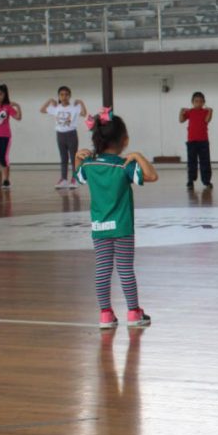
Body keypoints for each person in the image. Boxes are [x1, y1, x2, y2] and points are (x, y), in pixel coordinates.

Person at [75, 108, 159, 329]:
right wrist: (139, 156)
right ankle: (133, 312)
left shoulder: (89, 165)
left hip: (99, 227)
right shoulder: (124, 165)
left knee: (102, 269)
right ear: (125, 141)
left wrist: (77, 158)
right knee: (125, 269)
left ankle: (105, 315)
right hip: (122, 228)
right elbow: (152, 176)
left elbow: (78, 178)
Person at [40, 86, 87, 190]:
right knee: (63, 158)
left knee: (73, 157)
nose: (64, 97)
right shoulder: (56, 108)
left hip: (71, 134)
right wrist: (49, 100)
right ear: (59, 96)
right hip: (60, 135)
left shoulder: (74, 108)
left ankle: (75, 179)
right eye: (61, 94)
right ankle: (64, 179)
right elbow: (42, 110)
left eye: (66, 94)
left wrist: (81, 103)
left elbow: (84, 114)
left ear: (69, 96)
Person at [179, 92, 213, 191]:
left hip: (203, 141)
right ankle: (190, 180)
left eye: (201, 102)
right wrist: (181, 112)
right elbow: (181, 120)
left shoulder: (205, 112)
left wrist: (210, 111)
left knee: (205, 162)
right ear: (192, 102)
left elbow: (207, 120)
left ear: (204, 102)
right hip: (191, 142)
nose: (198, 103)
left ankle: (206, 181)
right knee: (191, 162)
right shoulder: (190, 112)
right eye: (196, 101)